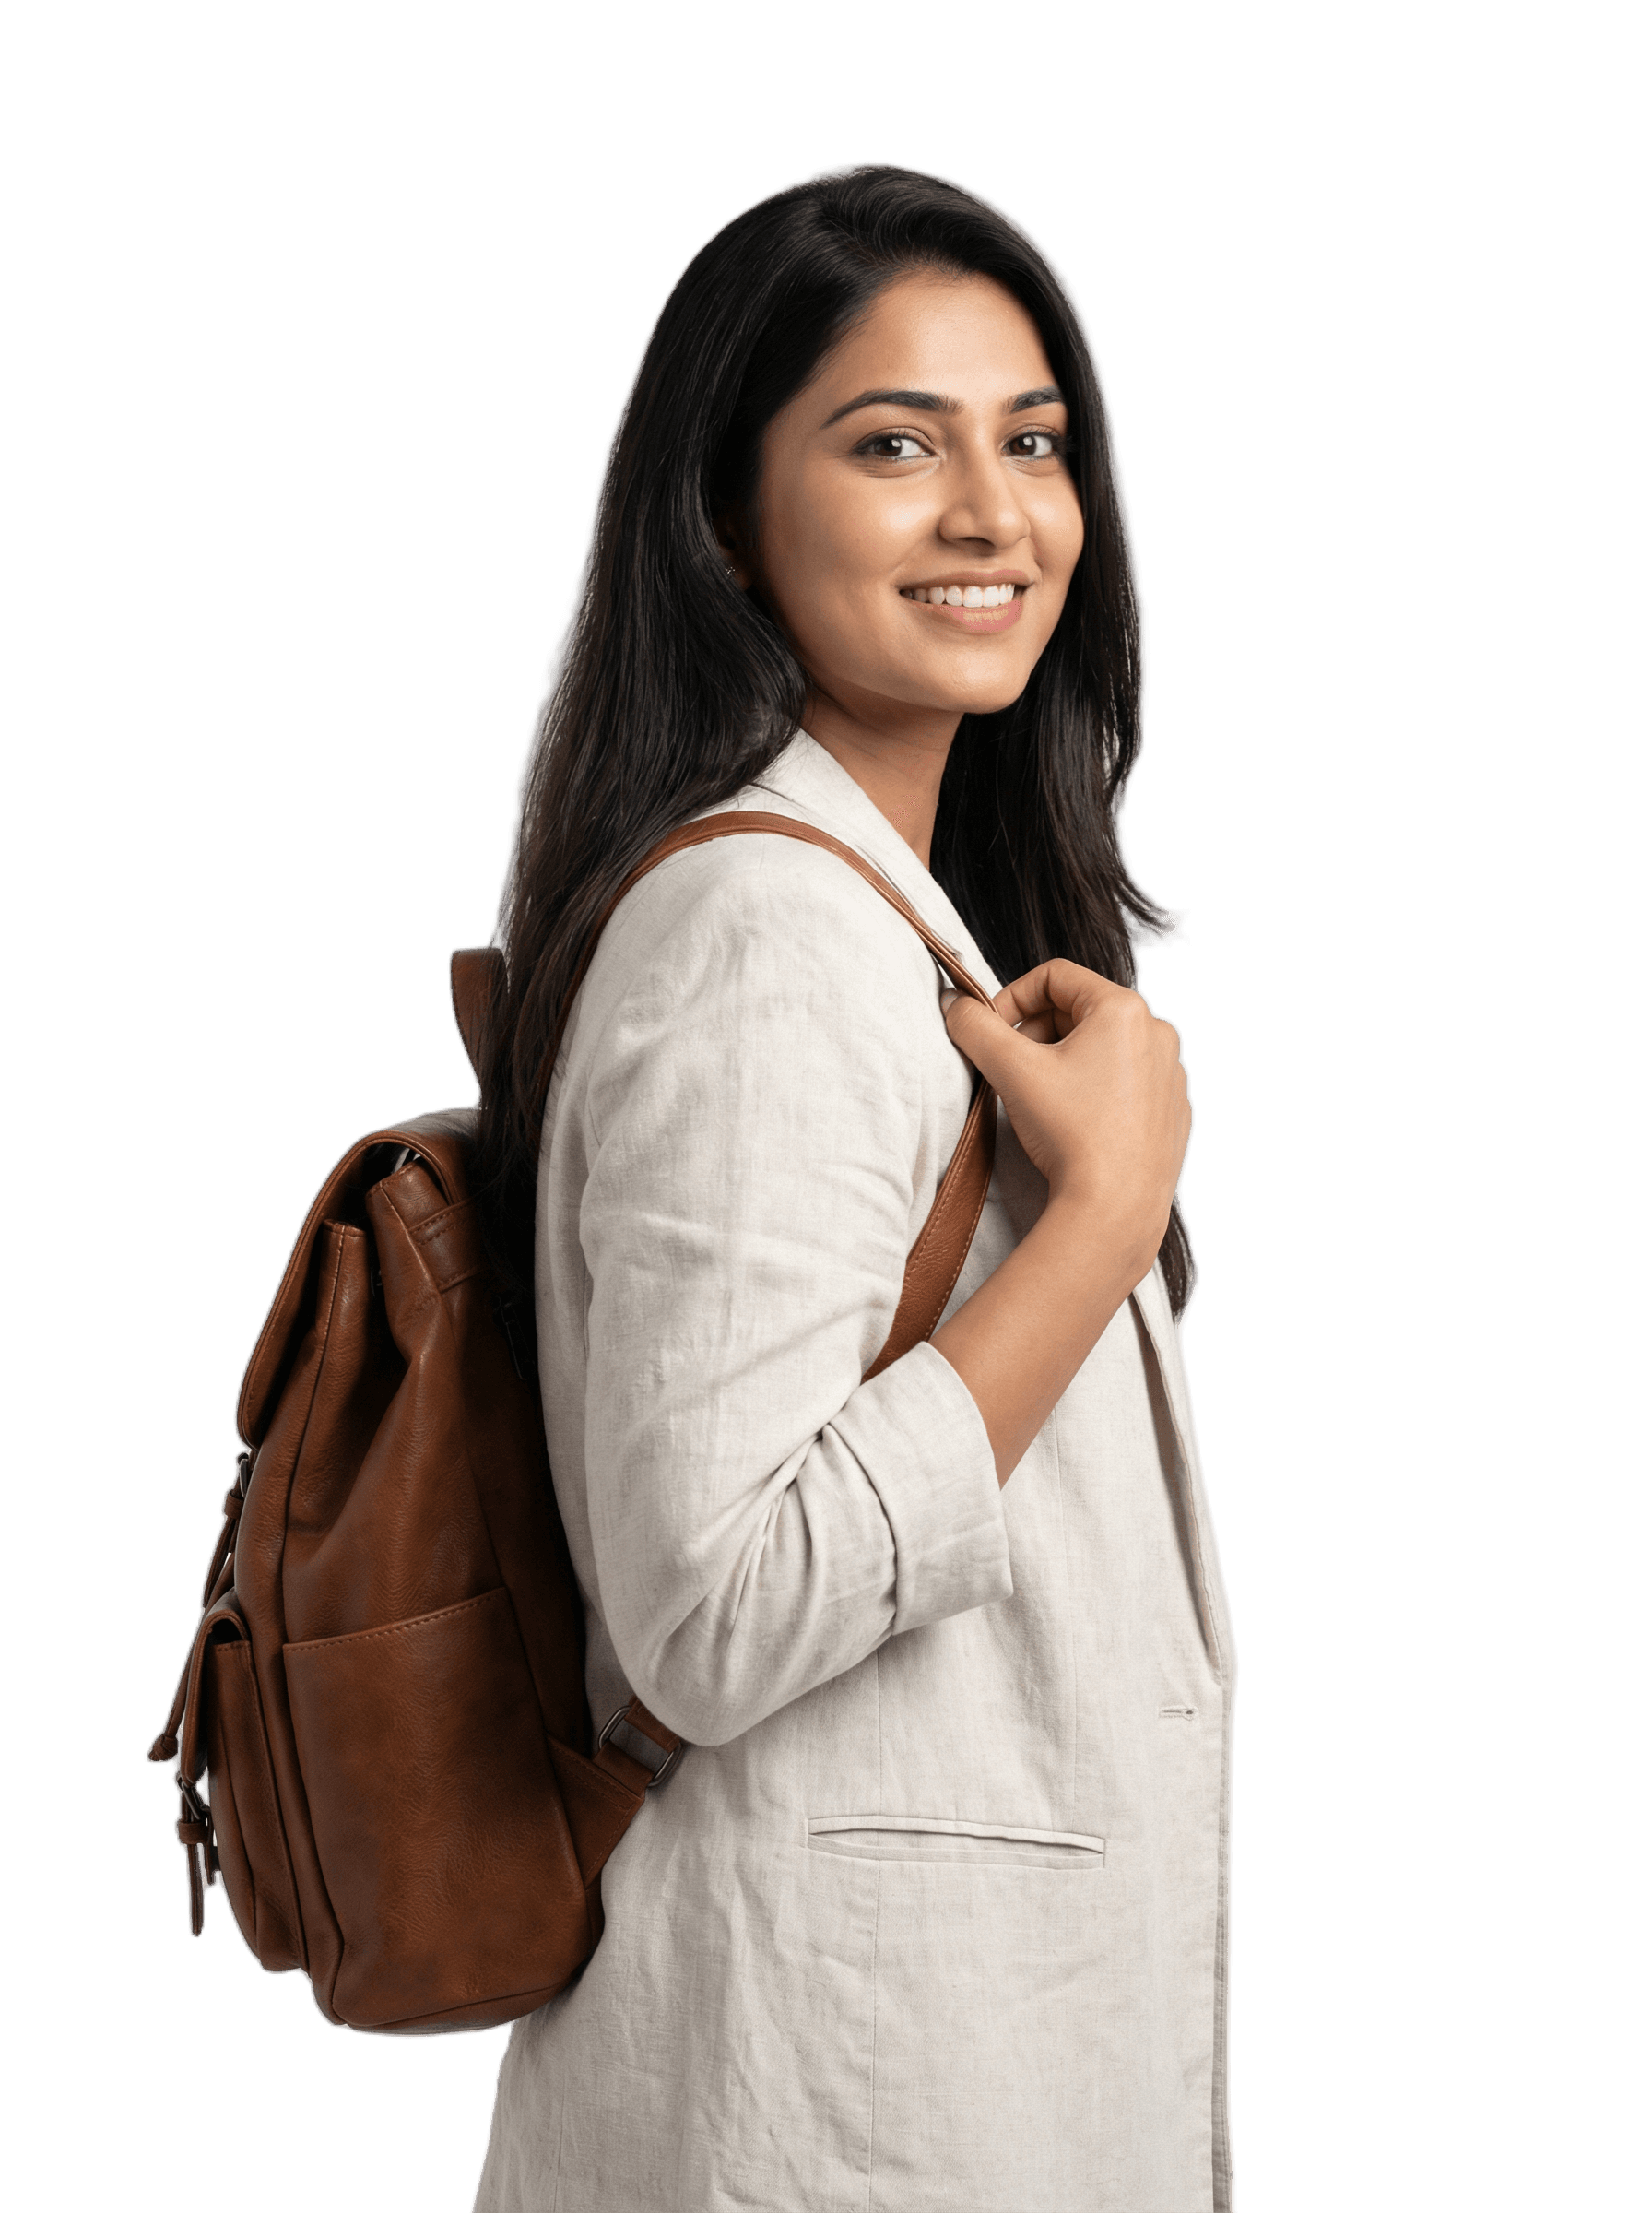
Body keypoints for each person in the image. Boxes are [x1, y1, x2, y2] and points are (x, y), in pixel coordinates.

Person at [469, 161, 1236, 2213]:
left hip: (932, 2073)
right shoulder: (758, 936)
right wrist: (1090, 1225)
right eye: (892, 443)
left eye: (1034, 443)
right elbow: (711, 1607)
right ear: (726, 516)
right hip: (837, 2108)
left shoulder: (893, 931)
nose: (992, 515)